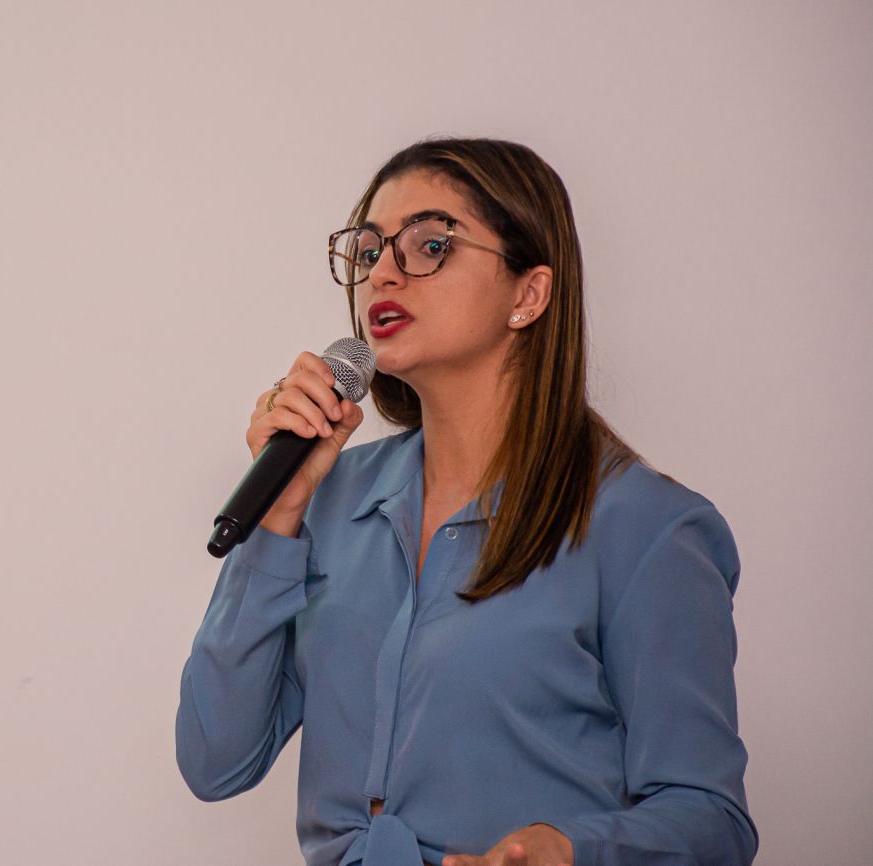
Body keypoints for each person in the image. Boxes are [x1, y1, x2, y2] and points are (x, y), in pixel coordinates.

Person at [175, 138, 757, 866]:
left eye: (430, 245)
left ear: (528, 295)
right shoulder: (328, 500)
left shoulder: (646, 528)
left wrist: (569, 850)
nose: (381, 274)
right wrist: (278, 517)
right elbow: (216, 761)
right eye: (368, 251)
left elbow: (711, 820)